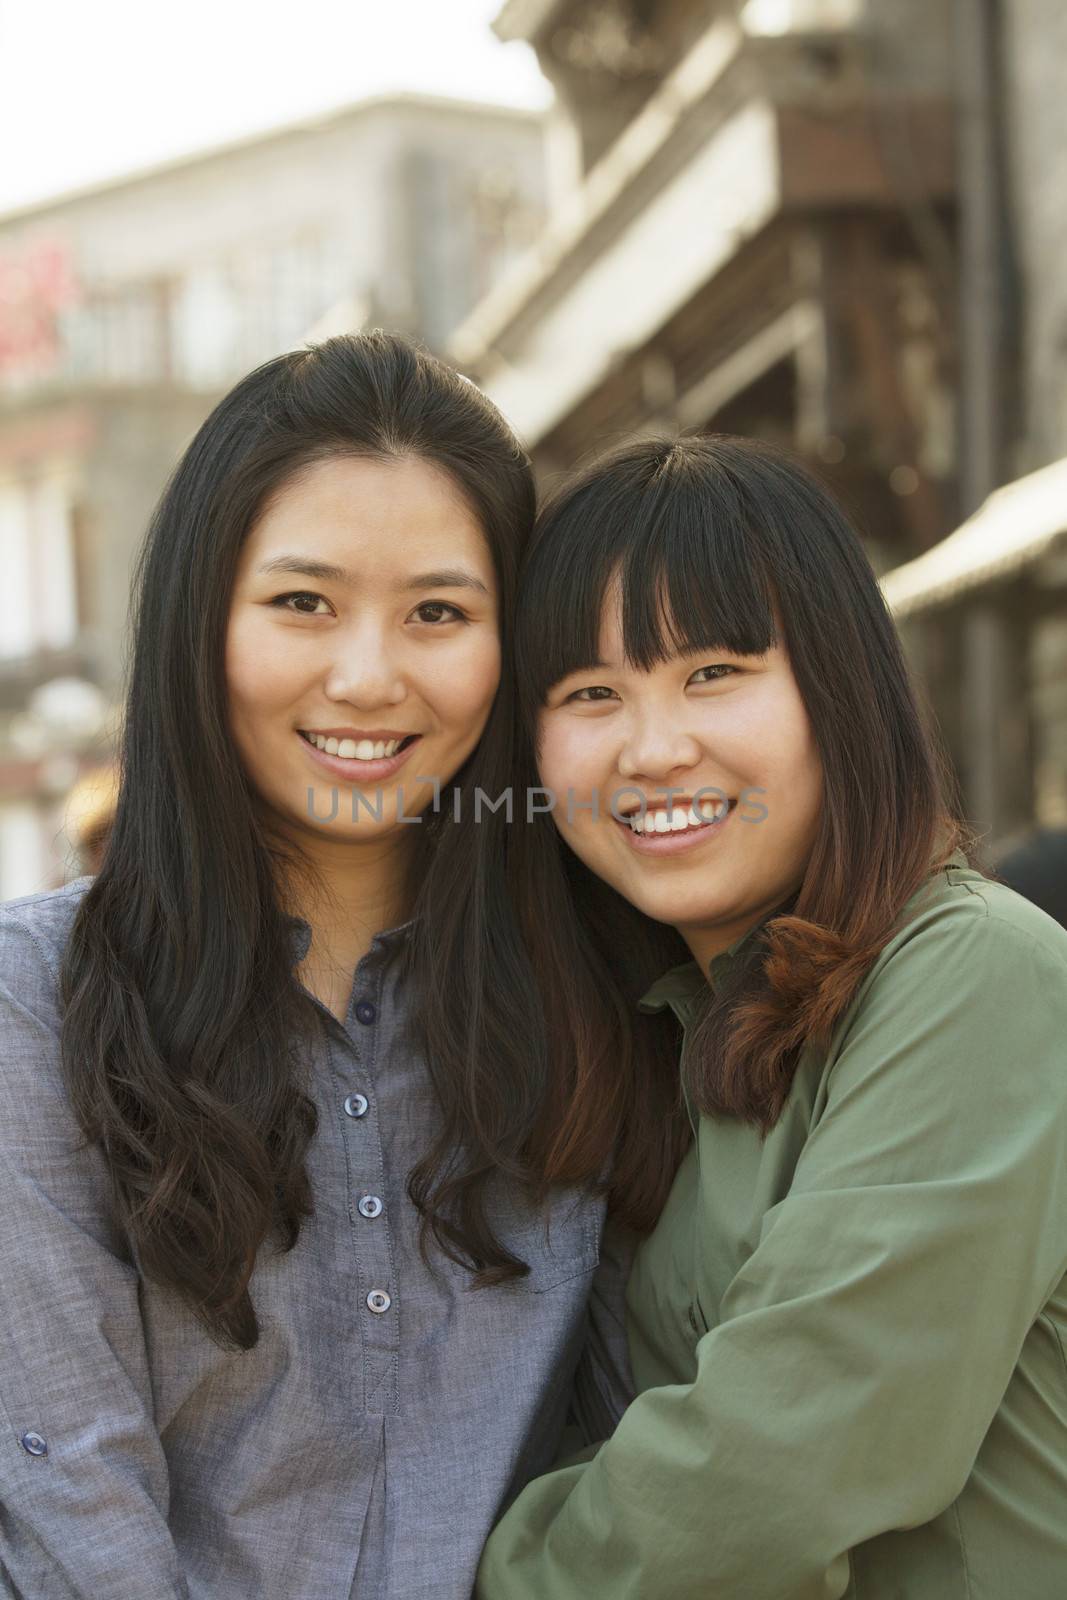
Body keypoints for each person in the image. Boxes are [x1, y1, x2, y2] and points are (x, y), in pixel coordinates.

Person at [0, 333, 631, 1600]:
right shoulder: (39, 997)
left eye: (438, 612)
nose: (367, 676)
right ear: (202, 617)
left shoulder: (601, 987)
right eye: (303, 602)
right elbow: (71, 1487)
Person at [477, 434, 1067, 1599]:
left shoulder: (972, 976)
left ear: (837, 688)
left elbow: (768, 1471)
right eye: (591, 694)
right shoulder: (674, 1025)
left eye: (712, 674)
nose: (652, 749)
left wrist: (463, 1572)